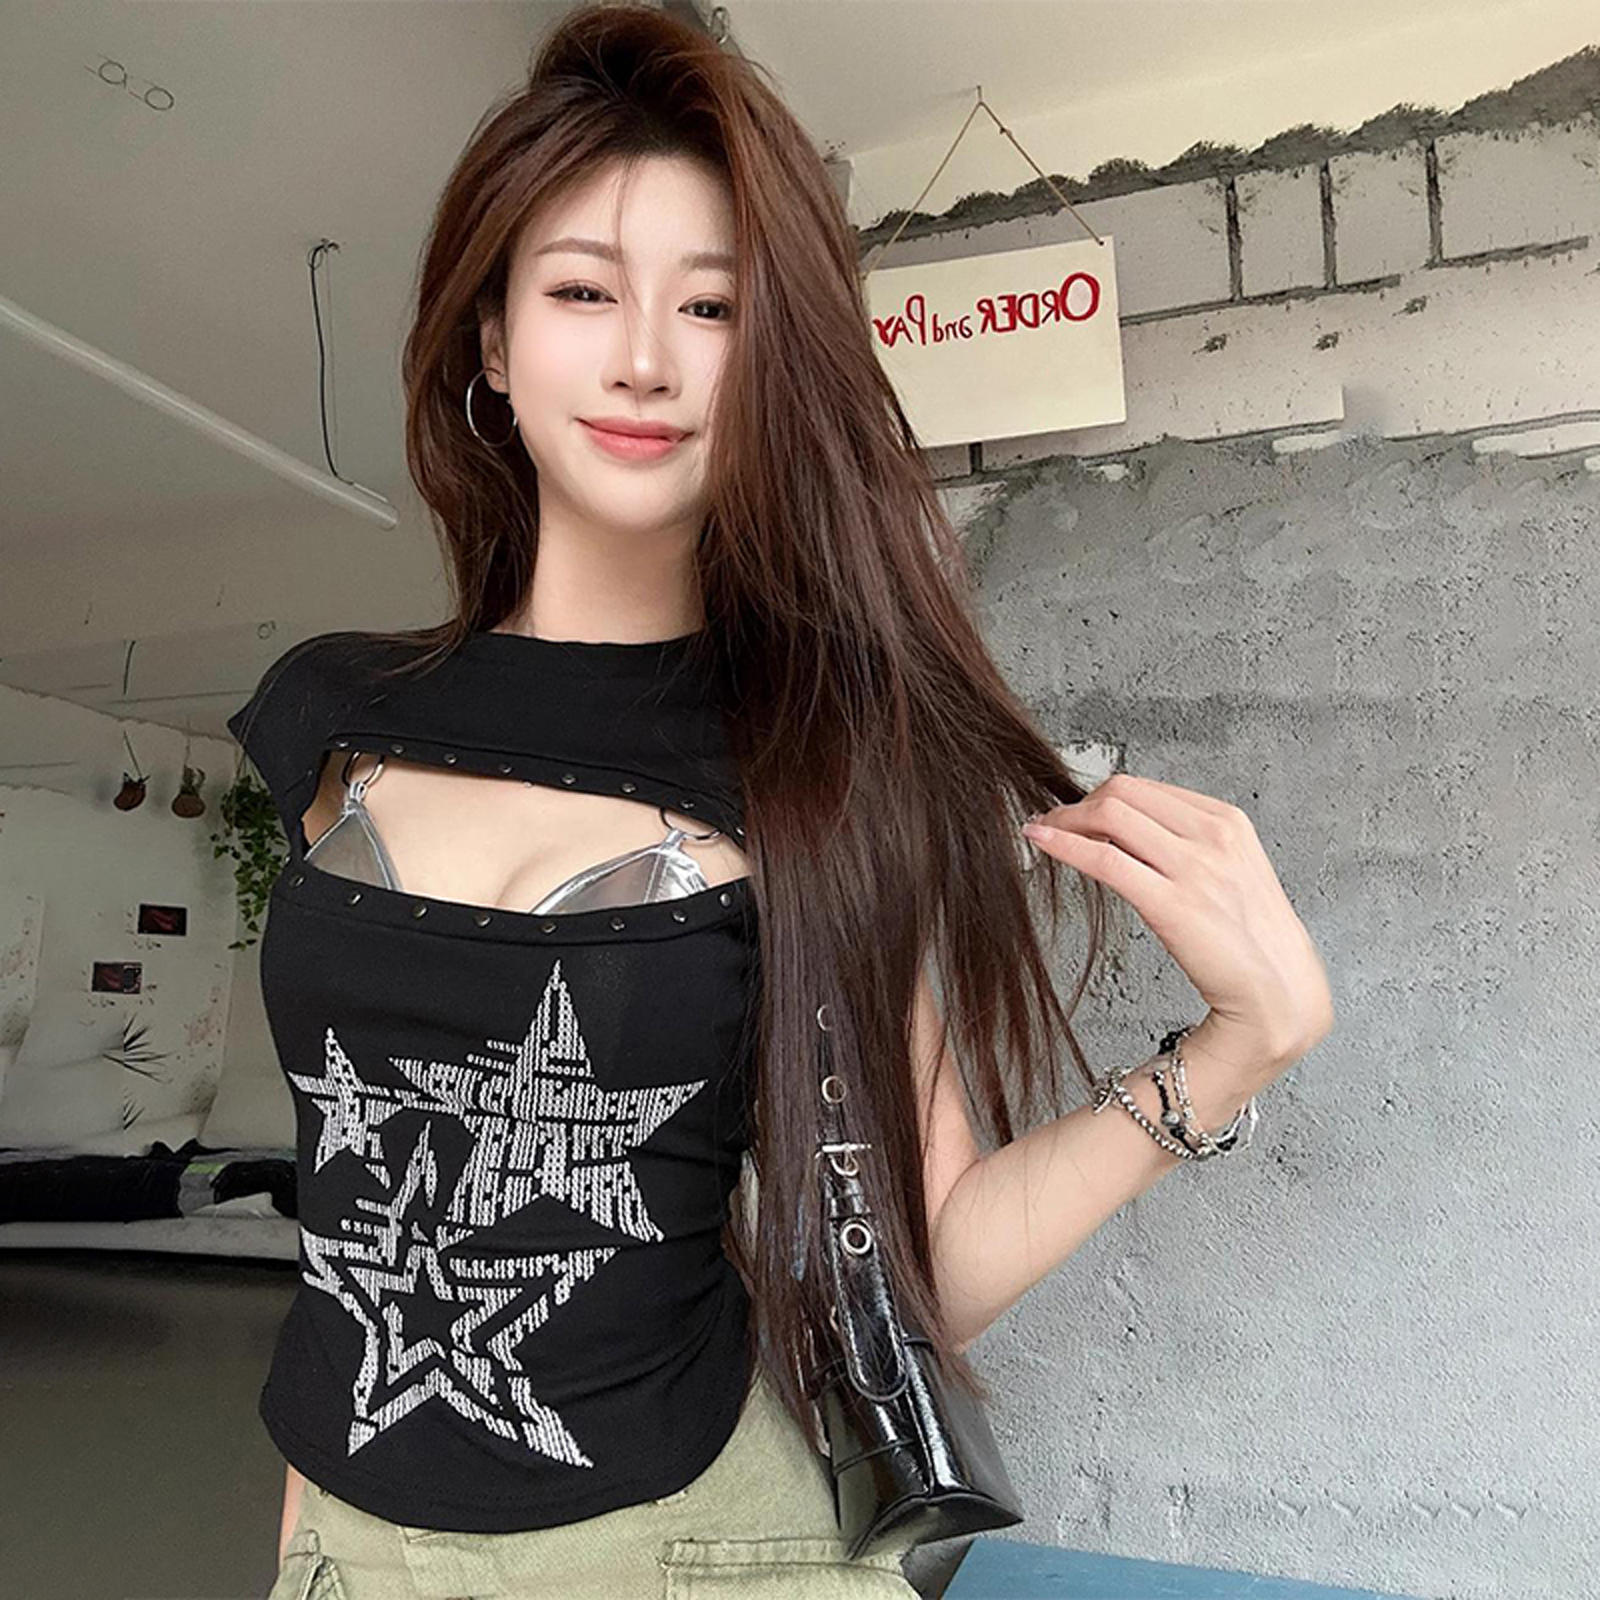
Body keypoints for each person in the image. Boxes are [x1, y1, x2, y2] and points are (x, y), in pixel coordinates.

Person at [238, 6, 1333, 1597]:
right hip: (349, 1545)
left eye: (713, 306)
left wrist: (1236, 1053)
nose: (645, 357)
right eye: (583, 291)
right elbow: (343, 1218)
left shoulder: (825, 770)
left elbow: (927, 1258)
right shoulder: (334, 719)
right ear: (491, 341)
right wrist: (304, 1551)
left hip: (697, 1553)